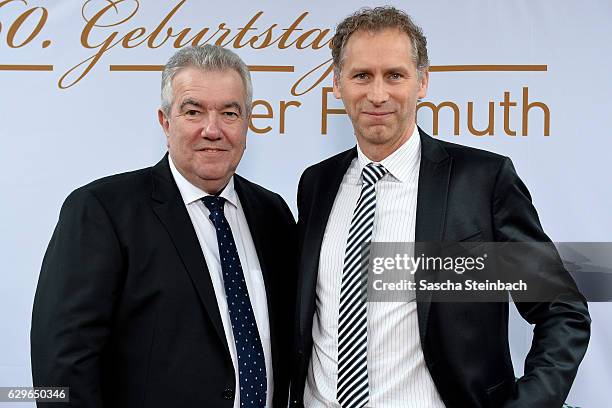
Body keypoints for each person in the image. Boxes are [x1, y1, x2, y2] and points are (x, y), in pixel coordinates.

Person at [291, 7, 590, 408]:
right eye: (361, 75)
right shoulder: (317, 183)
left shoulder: (483, 181)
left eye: (394, 75)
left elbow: (561, 309)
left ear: (422, 82)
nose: (377, 94)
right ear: (336, 83)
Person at [31, 45, 295, 408]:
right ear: (165, 121)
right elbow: (63, 366)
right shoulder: (101, 211)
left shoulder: (273, 214)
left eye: (229, 113)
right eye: (193, 111)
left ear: (247, 122)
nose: (212, 129)